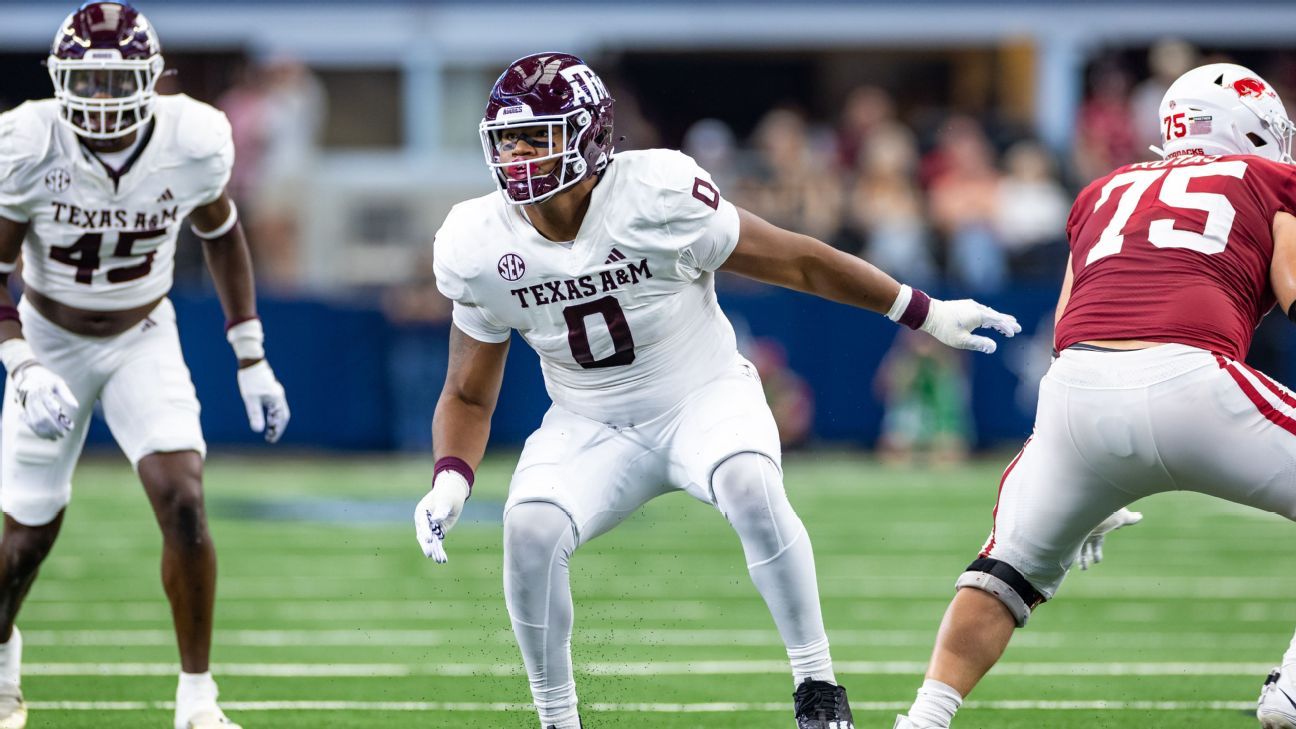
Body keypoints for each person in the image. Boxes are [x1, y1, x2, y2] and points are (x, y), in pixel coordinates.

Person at [411, 52, 1019, 729]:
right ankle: (558, 720)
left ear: (589, 136)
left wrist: (924, 310)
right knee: (527, 528)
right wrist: (451, 478)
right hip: (587, 421)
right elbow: (467, 391)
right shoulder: (475, 240)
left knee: (748, 482)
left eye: (538, 136)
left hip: (700, 394)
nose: (519, 156)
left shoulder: (656, 193)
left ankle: (817, 687)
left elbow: (797, 259)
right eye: (507, 140)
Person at [892, 62, 1296, 729]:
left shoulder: (1103, 189)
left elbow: (1068, 325)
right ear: (1251, 129)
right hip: (1194, 381)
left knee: (1005, 573)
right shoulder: (1271, 179)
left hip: (1076, 397)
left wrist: (1089, 478)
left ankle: (924, 718)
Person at [0, 4, 291, 728]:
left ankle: (197, 698)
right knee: (25, 540)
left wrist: (251, 357)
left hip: (143, 334)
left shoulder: (193, 139)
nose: (100, 101)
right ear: (59, 81)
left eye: (116, 82)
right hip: (50, 335)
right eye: (85, 84)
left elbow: (221, 233)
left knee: (184, 499)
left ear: (153, 78)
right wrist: (22, 363)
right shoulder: (28, 141)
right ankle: (3, 655)